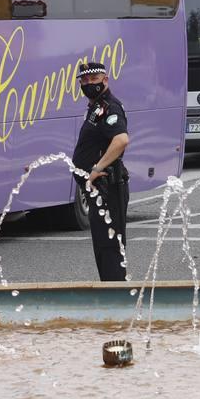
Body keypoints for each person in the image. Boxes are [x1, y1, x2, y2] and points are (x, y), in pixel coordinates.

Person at [72, 60, 131, 281]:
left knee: (110, 248)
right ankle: (112, 291)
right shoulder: (96, 106)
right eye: (84, 80)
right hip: (99, 190)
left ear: (105, 80)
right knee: (103, 248)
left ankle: (117, 297)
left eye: (94, 79)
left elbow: (121, 139)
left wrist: (97, 167)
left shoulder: (110, 107)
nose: (88, 84)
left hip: (108, 188)